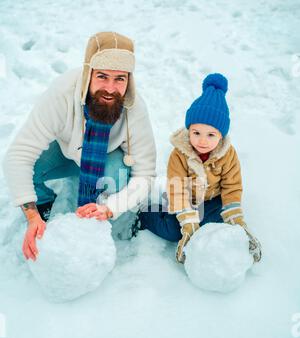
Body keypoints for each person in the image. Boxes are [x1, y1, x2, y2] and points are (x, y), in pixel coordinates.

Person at [3, 31, 156, 261]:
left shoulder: (134, 109)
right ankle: (44, 204)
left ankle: (105, 220)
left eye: (120, 79)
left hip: (107, 160)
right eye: (102, 76)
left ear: (129, 79)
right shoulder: (62, 93)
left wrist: (111, 207)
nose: (111, 88)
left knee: (119, 176)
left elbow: (145, 175)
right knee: (30, 168)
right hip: (67, 152)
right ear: (88, 73)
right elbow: (18, 156)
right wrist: (32, 215)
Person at [139, 73, 261, 263]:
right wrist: (187, 221)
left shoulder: (228, 155)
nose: (202, 140)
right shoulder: (179, 155)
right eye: (196, 133)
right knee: (173, 231)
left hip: (213, 200)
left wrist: (235, 219)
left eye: (211, 135)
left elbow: (232, 186)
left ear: (221, 136)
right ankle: (146, 214)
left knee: (219, 223)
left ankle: (212, 224)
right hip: (184, 199)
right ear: (189, 131)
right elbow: (177, 189)